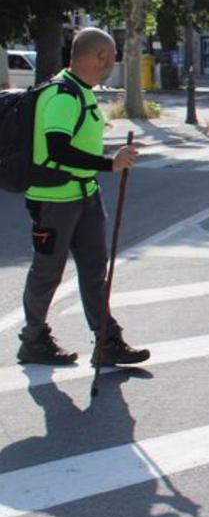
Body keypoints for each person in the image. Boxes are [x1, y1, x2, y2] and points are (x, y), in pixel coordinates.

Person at [17, 27, 150, 367]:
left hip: (84, 195)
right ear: (100, 57)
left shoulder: (81, 91)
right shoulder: (62, 95)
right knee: (47, 270)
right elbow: (57, 150)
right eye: (113, 54)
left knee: (94, 271)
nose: (116, 60)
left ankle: (107, 340)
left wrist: (109, 162)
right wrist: (110, 164)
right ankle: (33, 340)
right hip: (54, 201)